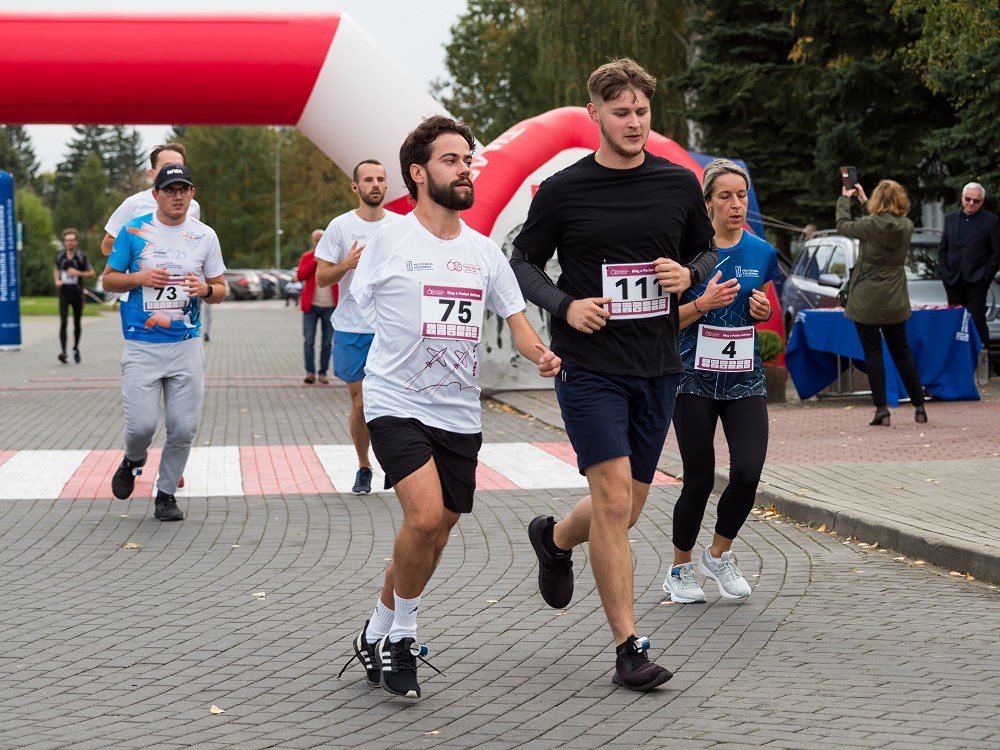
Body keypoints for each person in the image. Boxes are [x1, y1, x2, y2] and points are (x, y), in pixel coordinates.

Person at [509, 58, 718, 692]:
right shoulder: (563, 189)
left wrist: (690, 274)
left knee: (624, 511)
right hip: (590, 366)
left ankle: (553, 539)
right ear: (594, 113)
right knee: (614, 500)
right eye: (621, 112)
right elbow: (521, 262)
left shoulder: (678, 183)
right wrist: (564, 305)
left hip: (657, 366)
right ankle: (629, 647)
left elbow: (705, 250)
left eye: (641, 112)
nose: (633, 122)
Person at [338, 116, 559, 699]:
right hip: (395, 401)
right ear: (418, 173)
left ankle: (376, 628)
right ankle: (404, 638)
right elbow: (358, 307)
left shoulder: (483, 252)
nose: (465, 169)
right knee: (424, 518)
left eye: (468, 160)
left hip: (458, 412)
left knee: (434, 536)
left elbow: (517, 322)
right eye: (451, 160)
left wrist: (542, 354)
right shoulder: (388, 241)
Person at [659, 159, 781, 606]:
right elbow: (662, 324)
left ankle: (718, 554)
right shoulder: (686, 253)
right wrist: (703, 303)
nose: (736, 204)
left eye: (742, 196)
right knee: (699, 479)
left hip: (744, 377)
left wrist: (763, 312)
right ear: (707, 202)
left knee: (748, 472)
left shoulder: (761, 252)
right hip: (692, 377)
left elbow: (762, 306)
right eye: (726, 196)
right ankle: (679, 569)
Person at [101, 164, 226, 521]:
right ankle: (132, 460)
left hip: (186, 345)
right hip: (142, 344)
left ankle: (166, 494)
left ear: (192, 194)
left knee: (183, 427)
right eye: (170, 190)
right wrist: (140, 277)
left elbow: (221, 289)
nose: (177, 196)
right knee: (141, 426)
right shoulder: (134, 231)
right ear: (155, 195)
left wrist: (205, 289)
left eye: (183, 189)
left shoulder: (204, 235)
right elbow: (108, 280)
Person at [315, 160, 401, 493]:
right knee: (361, 405)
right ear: (355, 187)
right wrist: (346, 264)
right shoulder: (340, 227)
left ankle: (396, 463)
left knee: (393, 404)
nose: (375, 184)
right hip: (352, 327)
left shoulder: (400, 226)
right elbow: (322, 277)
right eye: (368, 180)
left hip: (390, 328)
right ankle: (364, 466)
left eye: (380, 179)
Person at [838, 179, 926, 426]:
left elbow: (843, 225)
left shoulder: (869, 225)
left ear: (878, 200)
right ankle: (919, 407)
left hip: (866, 300)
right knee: (902, 353)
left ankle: (881, 410)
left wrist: (845, 199)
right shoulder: (907, 226)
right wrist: (864, 201)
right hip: (895, 299)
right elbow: (884, 222)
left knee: (873, 354)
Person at [100, 143, 202, 257]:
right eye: (167, 167)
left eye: (178, 167)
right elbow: (106, 247)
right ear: (152, 174)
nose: (173, 171)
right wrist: (142, 243)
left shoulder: (193, 207)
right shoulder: (134, 203)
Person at [938, 182, 1000, 363]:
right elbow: (943, 248)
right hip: (953, 278)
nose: (971, 203)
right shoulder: (950, 219)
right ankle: (956, 361)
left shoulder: (991, 221)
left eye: (976, 201)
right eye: (968, 199)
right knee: (955, 320)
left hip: (977, 279)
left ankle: (982, 360)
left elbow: (996, 253)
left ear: (982, 202)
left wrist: (986, 275)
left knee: (977, 320)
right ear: (962, 198)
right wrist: (944, 271)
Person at [296, 229, 337, 384]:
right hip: (311, 307)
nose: (319, 243)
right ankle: (310, 372)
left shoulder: (335, 257)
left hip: (330, 306)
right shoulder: (307, 257)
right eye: (316, 240)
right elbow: (300, 275)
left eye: (322, 239)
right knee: (308, 341)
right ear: (312, 241)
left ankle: (323, 373)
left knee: (327, 342)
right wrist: (314, 261)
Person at [53, 228, 95, 363]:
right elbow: (56, 269)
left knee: (77, 323)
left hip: (77, 294)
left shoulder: (81, 257)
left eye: (72, 240)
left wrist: (78, 273)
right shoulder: (60, 256)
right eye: (67, 240)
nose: (69, 243)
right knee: (63, 322)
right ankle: (63, 352)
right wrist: (57, 280)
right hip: (64, 293)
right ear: (64, 242)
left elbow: (92, 273)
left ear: (76, 242)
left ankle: (76, 348)